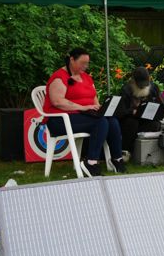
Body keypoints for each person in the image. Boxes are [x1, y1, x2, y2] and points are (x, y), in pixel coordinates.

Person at [42, 48, 125, 177]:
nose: (85, 66)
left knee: (111, 120)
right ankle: (90, 163)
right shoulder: (59, 77)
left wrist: (100, 109)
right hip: (59, 120)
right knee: (101, 123)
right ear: (71, 60)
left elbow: (94, 99)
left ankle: (117, 159)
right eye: (82, 63)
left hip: (83, 116)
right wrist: (83, 107)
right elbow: (58, 102)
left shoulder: (86, 78)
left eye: (87, 63)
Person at [119, 67, 164, 154]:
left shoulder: (153, 88)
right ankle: (127, 151)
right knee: (132, 123)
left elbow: (161, 105)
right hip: (131, 120)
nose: (143, 86)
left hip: (146, 119)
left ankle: (148, 151)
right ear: (134, 82)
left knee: (155, 124)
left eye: (145, 84)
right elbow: (121, 111)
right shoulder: (126, 90)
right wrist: (132, 111)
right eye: (140, 85)